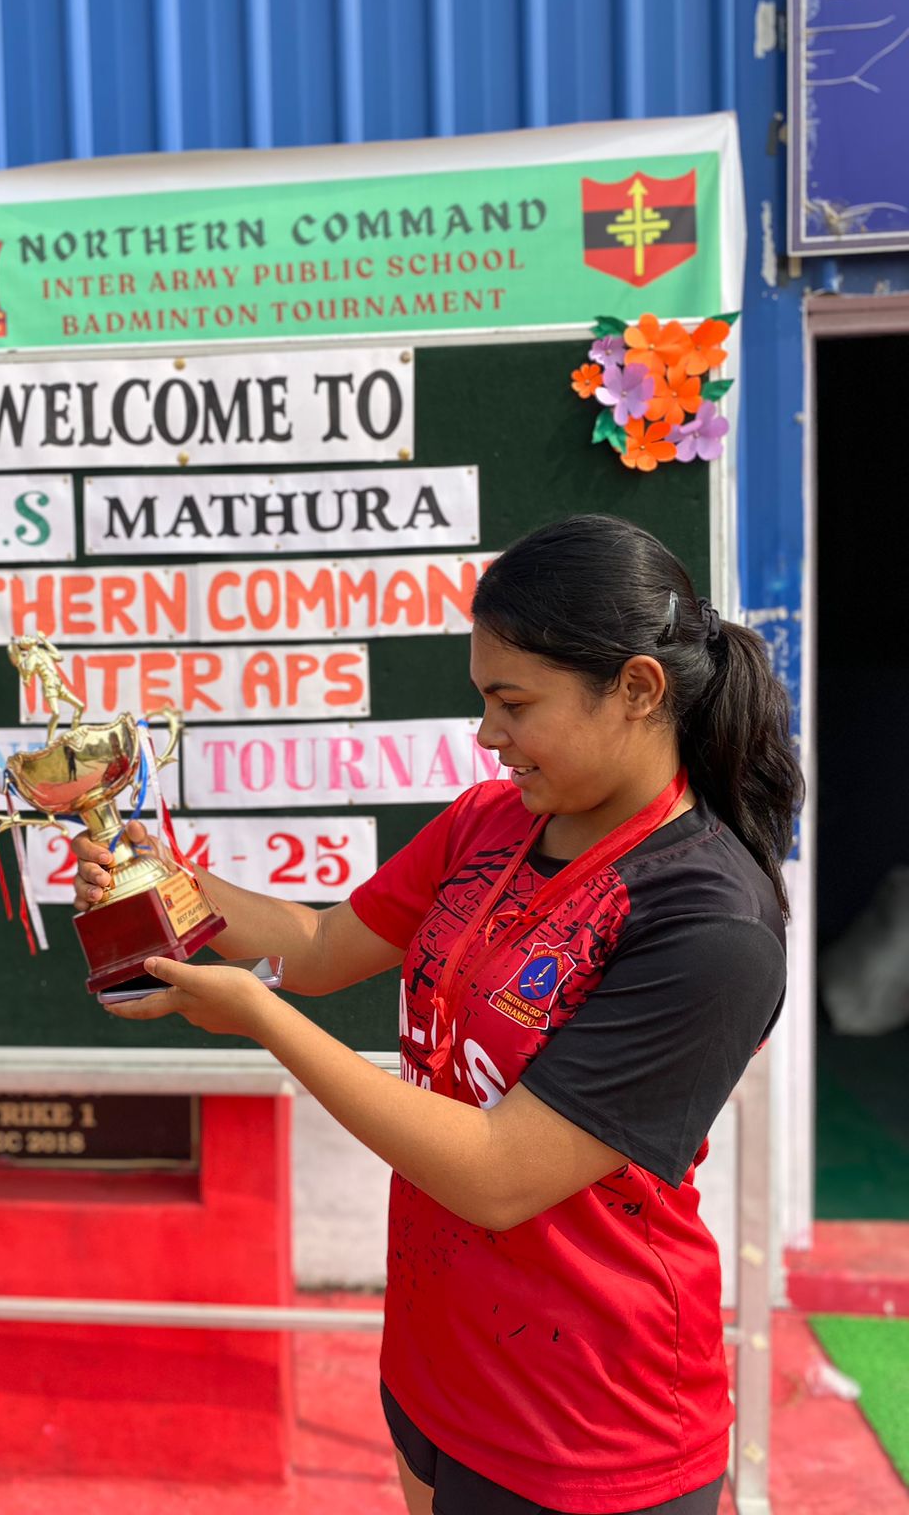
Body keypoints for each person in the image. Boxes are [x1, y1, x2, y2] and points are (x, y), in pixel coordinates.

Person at [71, 514, 803, 1515]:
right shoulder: (489, 822)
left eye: (513, 703)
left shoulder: (710, 921)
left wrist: (261, 1019)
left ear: (638, 689)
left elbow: (499, 1176)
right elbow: (326, 947)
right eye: (483, 700)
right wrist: (162, 886)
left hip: (587, 1425)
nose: (488, 734)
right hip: (435, 1363)